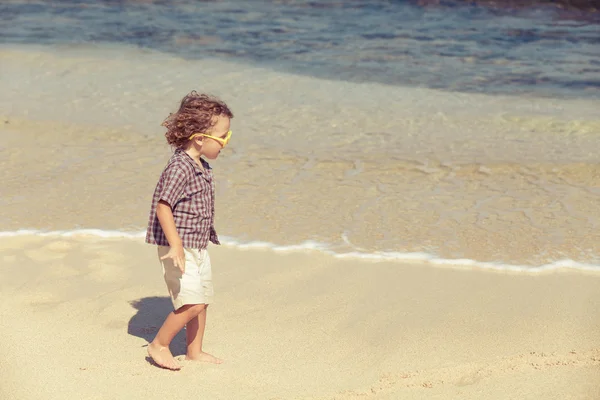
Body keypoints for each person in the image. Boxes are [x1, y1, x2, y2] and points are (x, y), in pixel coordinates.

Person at [145, 91, 234, 370]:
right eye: (223, 138)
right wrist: (176, 245)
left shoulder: (201, 165)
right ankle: (159, 344)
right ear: (200, 139)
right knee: (192, 303)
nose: (226, 144)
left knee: (202, 300)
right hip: (179, 248)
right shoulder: (179, 167)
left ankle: (194, 351)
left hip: (196, 245)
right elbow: (163, 206)